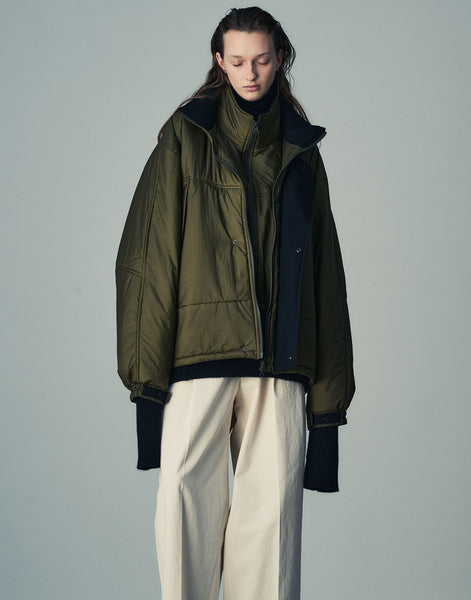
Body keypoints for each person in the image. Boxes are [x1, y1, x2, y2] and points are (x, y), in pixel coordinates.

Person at [115, 6, 355, 599]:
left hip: (281, 364)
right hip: (197, 359)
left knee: (271, 532)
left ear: (281, 59)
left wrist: (327, 415)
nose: (251, 73)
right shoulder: (186, 136)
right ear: (220, 61)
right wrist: (147, 388)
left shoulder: (302, 151)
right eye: (239, 60)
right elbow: (148, 259)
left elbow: (326, 281)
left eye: (263, 59)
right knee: (184, 514)